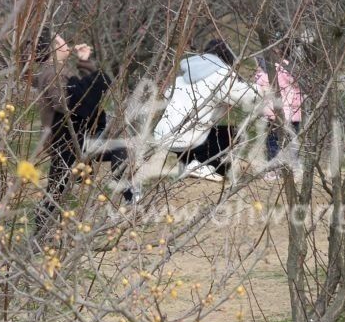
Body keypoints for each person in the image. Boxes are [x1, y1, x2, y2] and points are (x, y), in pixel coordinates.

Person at [35, 32, 130, 230]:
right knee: (55, 191)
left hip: (75, 138)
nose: (66, 44)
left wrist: (85, 62)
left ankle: (130, 195)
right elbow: (68, 103)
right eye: (62, 41)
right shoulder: (51, 72)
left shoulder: (58, 69)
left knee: (56, 190)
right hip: (65, 141)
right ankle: (39, 233)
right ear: (52, 49)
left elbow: (83, 94)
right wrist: (92, 85)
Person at [152, 39, 259, 181]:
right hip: (190, 137)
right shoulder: (220, 73)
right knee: (232, 133)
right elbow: (244, 97)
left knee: (205, 130)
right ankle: (201, 165)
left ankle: (190, 166)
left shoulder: (184, 75)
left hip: (166, 135)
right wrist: (261, 89)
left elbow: (167, 97)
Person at [253, 53, 303, 167]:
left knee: (273, 142)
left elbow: (259, 92)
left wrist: (258, 75)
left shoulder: (265, 75)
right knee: (292, 142)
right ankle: (294, 167)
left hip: (274, 115)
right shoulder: (291, 70)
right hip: (294, 115)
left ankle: (275, 169)